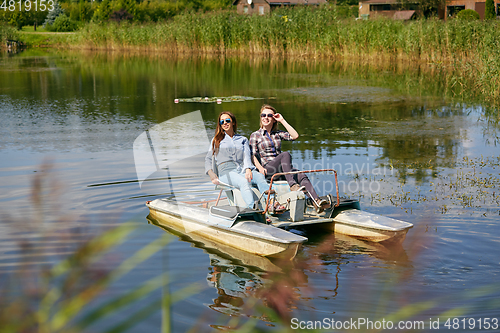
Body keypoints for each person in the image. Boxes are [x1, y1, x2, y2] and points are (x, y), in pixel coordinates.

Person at [249, 104, 329, 212]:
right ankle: (292, 185)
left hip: (282, 171)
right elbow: (252, 155)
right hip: (268, 170)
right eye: (263, 115)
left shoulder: (277, 134)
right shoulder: (255, 135)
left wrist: (282, 120)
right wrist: (260, 168)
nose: (266, 117)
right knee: (285, 154)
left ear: (273, 119)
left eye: (269, 115)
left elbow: (295, 136)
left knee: (301, 174)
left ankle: (316, 201)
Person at [205, 111, 276, 210]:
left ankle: (271, 203)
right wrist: (211, 174)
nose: (225, 123)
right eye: (222, 122)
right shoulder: (216, 140)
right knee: (243, 182)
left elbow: (247, 156)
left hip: (241, 169)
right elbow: (208, 158)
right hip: (226, 172)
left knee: (259, 176)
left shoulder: (242, 139)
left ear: (233, 122)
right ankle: (254, 209)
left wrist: (248, 169)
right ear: (220, 125)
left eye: (227, 120)